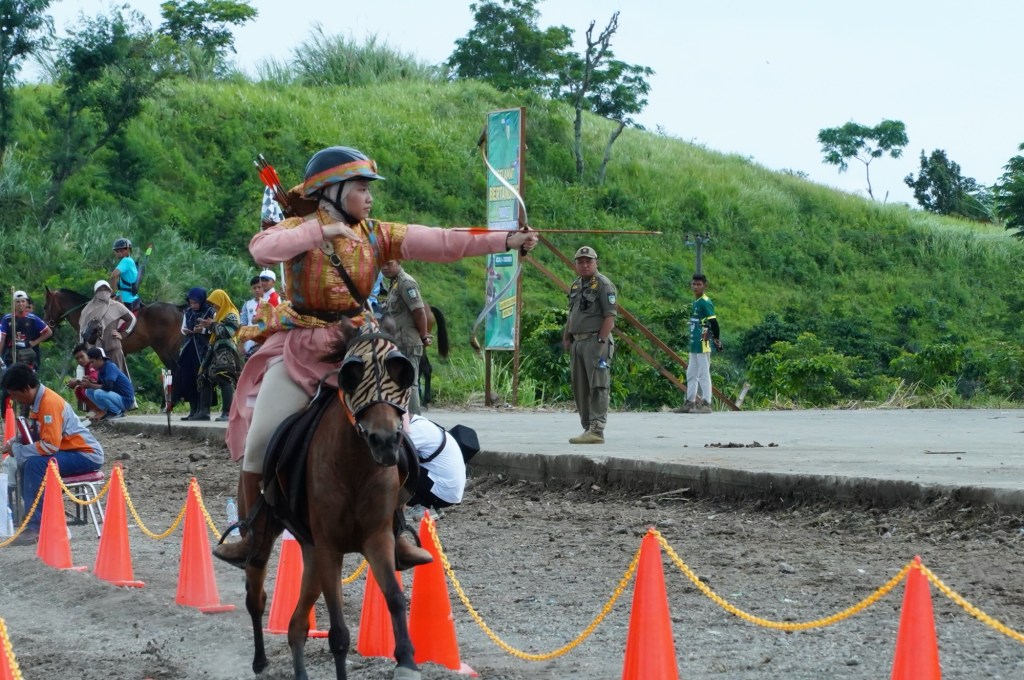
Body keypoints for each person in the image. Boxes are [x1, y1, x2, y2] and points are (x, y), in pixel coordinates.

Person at [216, 144, 537, 570]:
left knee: (396, 434)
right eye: (361, 188)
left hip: (360, 350)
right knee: (259, 442)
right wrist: (319, 232)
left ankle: (396, 529)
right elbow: (262, 250)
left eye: (369, 189)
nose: (369, 197)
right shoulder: (296, 227)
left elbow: (443, 241)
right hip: (303, 349)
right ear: (331, 190)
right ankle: (251, 538)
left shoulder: (376, 233)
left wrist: (506, 240)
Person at [0, 363, 103, 545]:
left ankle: (36, 526)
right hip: (69, 451)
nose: (15, 399)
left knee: (34, 464)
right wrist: (15, 443)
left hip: (85, 454)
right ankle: (35, 519)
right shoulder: (36, 402)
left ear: (26, 389)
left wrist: (18, 450)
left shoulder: (49, 403)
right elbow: (36, 436)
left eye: (15, 395)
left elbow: (49, 447)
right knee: (28, 463)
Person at [561, 246, 617, 444]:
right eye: (580, 262)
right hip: (578, 341)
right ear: (575, 264)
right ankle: (587, 428)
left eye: (588, 261)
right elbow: (572, 312)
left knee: (598, 385)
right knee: (580, 387)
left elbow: (610, 316)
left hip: (595, 341)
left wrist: (601, 341)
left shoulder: (603, 285)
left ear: (596, 263)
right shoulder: (577, 285)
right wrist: (567, 335)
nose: (584, 265)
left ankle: (597, 428)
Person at [381, 259, 431, 415]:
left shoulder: (406, 283)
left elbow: (419, 312)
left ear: (399, 262)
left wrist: (423, 336)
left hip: (408, 342)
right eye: (381, 264)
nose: (384, 268)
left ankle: (415, 421)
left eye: (388, 264)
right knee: (399, 383)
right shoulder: (394, 283)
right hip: (398, 342)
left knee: (410, 383)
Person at [405, 415, 478, 512]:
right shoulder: (423, 423)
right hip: (448, 491)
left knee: (396, 468)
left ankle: (424, 506)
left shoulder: (417, 429)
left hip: (442, 493)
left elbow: (391, 453)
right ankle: (426, 506)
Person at [676, 273, 723, 414]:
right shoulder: (696, 302)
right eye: (694, 284)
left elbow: (713, 322)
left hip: (703, 340)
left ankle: (706, 403)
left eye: (699, 284)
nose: (695, 287)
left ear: (704, 285)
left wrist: (716, 339)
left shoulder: (705, 302)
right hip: (694, 342)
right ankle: (690, 402)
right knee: (691, 373)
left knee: (703, 373)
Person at [195, 289, 241, 422]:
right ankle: (204, 412)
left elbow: (228, 332)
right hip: (215, 348)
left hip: (226, 350)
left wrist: (212, 325)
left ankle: (227, 412)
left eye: (216, 304)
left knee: (224, 377)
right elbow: (216, 331)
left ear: (222, 301)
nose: (214, 307)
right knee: (203, 376)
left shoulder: (232, 315)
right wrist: (207, 326)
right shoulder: (219, 315)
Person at [173, 287, 214, 420]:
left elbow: (214, 330)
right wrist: (187, 330)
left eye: (195, 302)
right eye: (191, 302)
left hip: (202, 350)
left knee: (201, 378)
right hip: (189, 348)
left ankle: (203, 410)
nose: (193, 305)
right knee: (187, 378)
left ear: (202, 300)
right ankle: (193, 409)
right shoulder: (188, 312)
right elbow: (183, 328)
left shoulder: (210, 311)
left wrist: (201, 331)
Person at [78, 280, 135, 376]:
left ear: (110, 290)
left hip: (113, 348)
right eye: (100, 289)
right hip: (95, 354)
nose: (103, 291)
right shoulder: (87, 309)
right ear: (96, 292)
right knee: (97, 381)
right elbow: (81, 332)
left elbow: (132, 319)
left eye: (106, 289)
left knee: (118, 378)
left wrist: (123, 334)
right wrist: (82, 350)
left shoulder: (116, 306)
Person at [0, 290, 52, 371]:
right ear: (13, 304)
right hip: (10, 355)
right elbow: (2, 338)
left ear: (26, 303)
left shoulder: (33, 318)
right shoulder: (7, 318)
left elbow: (48, 332)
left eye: (23, 301)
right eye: (17, 302)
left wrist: (35, 342)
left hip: (27, 355)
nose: (20, 304)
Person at [82, 347, 135, 420]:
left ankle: (117, 412)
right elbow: (100, 384)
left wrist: (91, 384)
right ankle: (107, 411)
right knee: (88, 391)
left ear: (100, 359)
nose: (91, 365)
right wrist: (89, 382)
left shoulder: (110, 367)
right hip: (116, 397)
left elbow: (107, 387)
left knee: (98, 393)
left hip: (125, 400)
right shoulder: (101, 369)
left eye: (92, 362)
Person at [66, 343, 101, 417]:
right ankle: (93, 410)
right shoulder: (83, 367)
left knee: (85, 389)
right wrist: (76, 380)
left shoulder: (92, 364)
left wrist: (76, 382)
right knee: (79, 390)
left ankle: (99, 410)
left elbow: (93, 379)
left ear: (87, 354)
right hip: (98, 387)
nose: (80, 360)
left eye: (82, 356)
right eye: (77, 358)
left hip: (104, 388)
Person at [109, 238, 141, 312]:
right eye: (117, 251)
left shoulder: (126, 260)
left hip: (125, 299)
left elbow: (114, 276)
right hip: (130, 297)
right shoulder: (130, 261)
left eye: (122, 251)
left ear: (128, 250)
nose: (119, 253)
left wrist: (112, 295)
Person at [239, 275, 263, 358]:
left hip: (264, 343)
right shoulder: (247, 304)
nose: (257, 290)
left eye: (259, 287)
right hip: (249, 344)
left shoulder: (269, 303)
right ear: (251, 289)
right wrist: (241, 344)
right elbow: (243, 325)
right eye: (254, 288)